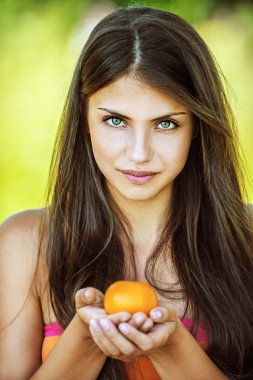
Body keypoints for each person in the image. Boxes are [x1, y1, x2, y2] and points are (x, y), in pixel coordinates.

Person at [0, 5, 253, 380]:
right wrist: (84, 342)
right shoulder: (23, 244)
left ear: (197, 127)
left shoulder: (247, 237)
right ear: (84, 119)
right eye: (115, 120)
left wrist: (173, 348)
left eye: (166, 124)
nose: (139, 154)